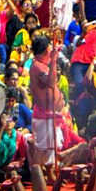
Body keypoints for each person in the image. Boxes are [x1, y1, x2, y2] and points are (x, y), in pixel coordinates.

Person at [29, 35, 66, 166]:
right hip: (44, 115)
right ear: (46, 50)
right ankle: (36, 175)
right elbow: (51, 82)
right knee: (42, 149)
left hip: (50, 114)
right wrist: (54, 60)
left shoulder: (43, 65)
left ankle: (49, 174)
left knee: (51, 147)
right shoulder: (38, 66)